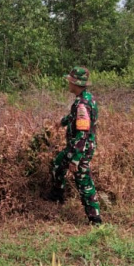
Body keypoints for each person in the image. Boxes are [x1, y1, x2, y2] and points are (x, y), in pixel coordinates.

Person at [44, 66, 102, 224]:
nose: (68, 83)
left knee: (84, 182)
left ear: (75, 83)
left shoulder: (82, 104)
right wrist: (61, 123)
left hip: (80, 149)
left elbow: (82, 133)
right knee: (57, 164)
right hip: (76, 147)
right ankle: (57, 194)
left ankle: (95, 219)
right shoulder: (86, 98)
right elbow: (73, 116)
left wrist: (75, 159)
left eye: (70, 81)